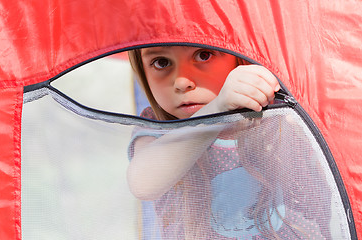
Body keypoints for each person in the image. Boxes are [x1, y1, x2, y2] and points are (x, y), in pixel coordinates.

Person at [127, 46, 331, 239]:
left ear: (238, 56)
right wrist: (217, 109)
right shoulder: (155, 128)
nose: (182, 81)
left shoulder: (278, 114)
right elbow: (144, 184)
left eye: (204, 55)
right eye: (161, 62)